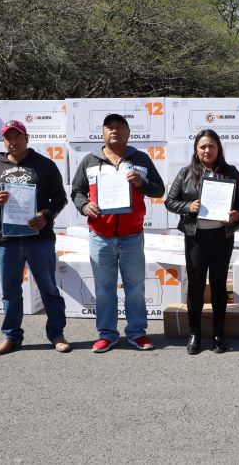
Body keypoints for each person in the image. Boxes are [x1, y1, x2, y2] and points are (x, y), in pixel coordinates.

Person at [70, 113, 166, 353]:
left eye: (120, 127)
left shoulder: (140, 159)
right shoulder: (89, 161)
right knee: (104, 289)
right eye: (110, 127)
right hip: (100, 236)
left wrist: (141, 184)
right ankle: (107, 334)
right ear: (102, 133)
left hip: (132, 235)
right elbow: (77, 191)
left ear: (128, 133)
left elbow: (158, 189)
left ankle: (137, 333)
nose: (115, 131)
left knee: (135, 288)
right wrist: (84, 206)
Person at [0, 120, 69, 355]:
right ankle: (11, 336)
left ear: (27, 139)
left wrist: (46, 215)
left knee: (48, 288)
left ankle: (56, 333)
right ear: (3, 141)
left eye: (18, 137)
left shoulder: (45, 165)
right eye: (8, 138)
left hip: (39, 238)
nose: (13, 142)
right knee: (10, 291)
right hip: (7, 240)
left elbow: (60, 198)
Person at [165, 129, 239, 355]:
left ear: (218, 149)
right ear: (196, 150)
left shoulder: (230, 172)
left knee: (218, 285)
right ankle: (195, 332)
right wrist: (188, 207)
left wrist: (237, 214)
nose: (207, 150)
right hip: (196, 238)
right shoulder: (186, 173)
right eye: (203, 146)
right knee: (195, 286)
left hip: (221, 237)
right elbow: (170, 201)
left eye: (211, 146)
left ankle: (218, 332)